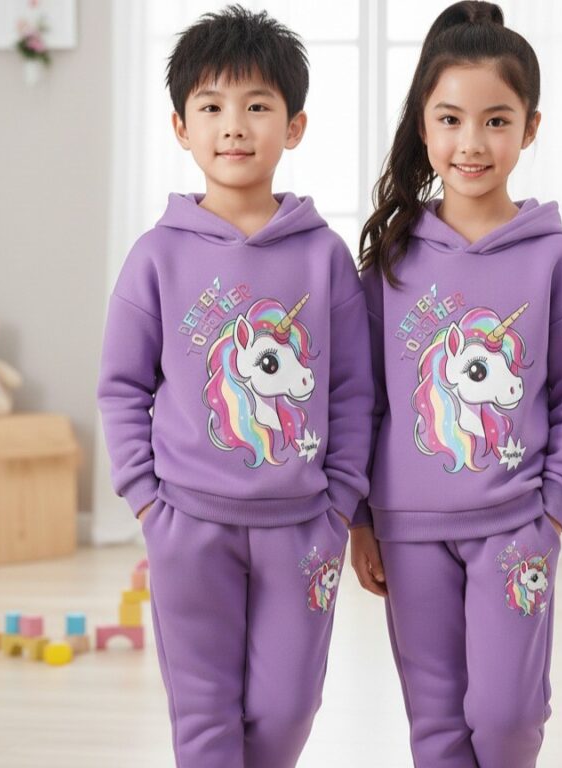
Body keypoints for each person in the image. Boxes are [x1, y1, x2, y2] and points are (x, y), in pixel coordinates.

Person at [96, 7, 373, 767]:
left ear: (295, 126)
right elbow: (122, 386)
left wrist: (340, 502)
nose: (234, 127)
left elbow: (353, 390)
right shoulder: (155, 256)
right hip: (186, 524)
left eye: (257, 106)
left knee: (287, 709)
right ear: (181, 128)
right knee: (204, 714)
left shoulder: (324, 257)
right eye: (212, 107)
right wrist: (147, 499)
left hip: (303, 525)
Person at [350, 2, 562, 766]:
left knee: (506, 719)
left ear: (530, 128)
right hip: (408, 528)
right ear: (424, 127)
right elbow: (365, 398)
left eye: (496, 121)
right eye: (451, 120)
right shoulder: (391, 262)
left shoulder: (555, 260)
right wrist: (361, 518)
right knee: (435, 724)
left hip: (516, 524)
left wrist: (553, 509)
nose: (471, 143)